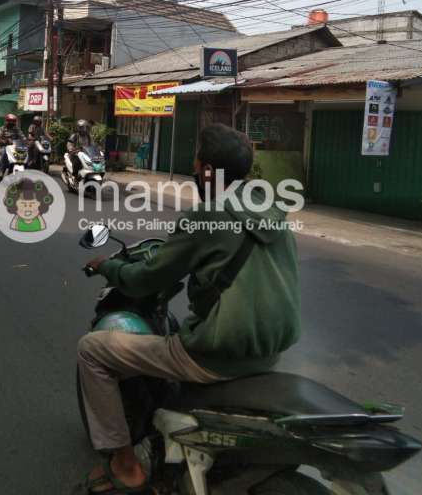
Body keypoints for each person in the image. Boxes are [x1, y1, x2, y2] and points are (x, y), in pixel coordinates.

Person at [77, 124, 301, 493]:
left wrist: (108, 266)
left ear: (208, 171)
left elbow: (146, 279)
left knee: (91, 350)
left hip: (215, 356)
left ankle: (126, 465)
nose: (194, 170)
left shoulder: (207, 216)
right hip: (269, 354)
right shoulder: (272, 209)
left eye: (196, 164)